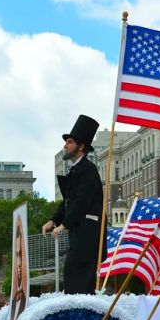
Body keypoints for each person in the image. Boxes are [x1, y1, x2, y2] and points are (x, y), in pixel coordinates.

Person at [42, 114, 104, 294]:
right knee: (72, 275)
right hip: (78, 233)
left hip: (88, 235)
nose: (65, 146)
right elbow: (68, 201)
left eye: (69, 142)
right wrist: (53, 220)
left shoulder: (89, 171)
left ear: (81, 146)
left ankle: (82, 313)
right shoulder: (76, 170)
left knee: (77, 276)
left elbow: (81, 202)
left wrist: (63, 225)